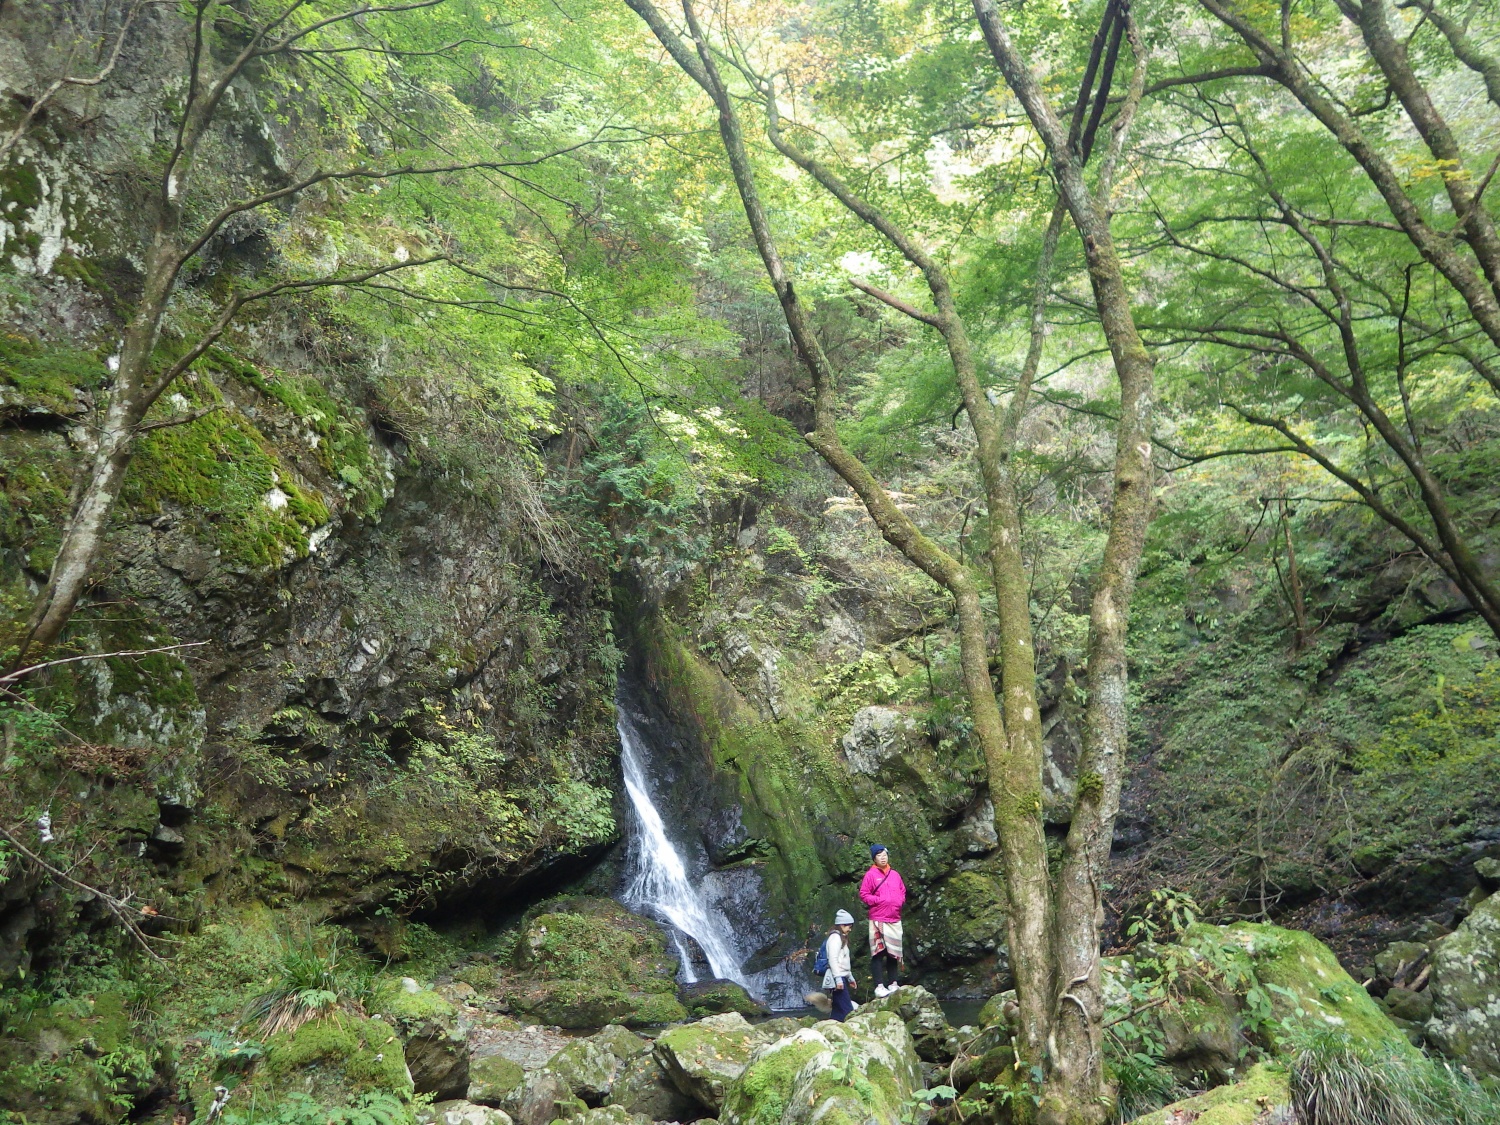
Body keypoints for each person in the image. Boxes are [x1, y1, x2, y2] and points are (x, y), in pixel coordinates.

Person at [859, 844, 906, 996]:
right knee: (878, 951)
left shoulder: (895, 875)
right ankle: (879, 985)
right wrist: (879, 900)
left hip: (894, 918)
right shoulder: (871, 875)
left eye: (884, 854)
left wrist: (899, 901)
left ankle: (893, 983)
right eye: (879, 855)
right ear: (874, 858)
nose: (883, 857)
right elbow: (864, 893)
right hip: (878, 918)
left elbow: (902, 891)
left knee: (893, 952)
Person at [823, 908, 857, 1021]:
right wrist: (838, 979)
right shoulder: (835, 938)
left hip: (841, 977)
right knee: (847, 1010)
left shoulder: (841, 938)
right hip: (837, 979)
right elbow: (833, 960)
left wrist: (850, 977)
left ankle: (832, 1027)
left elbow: (843, 961)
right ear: (842, 925)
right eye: (849, 926)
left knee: (838, 1010)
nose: (850, 929)